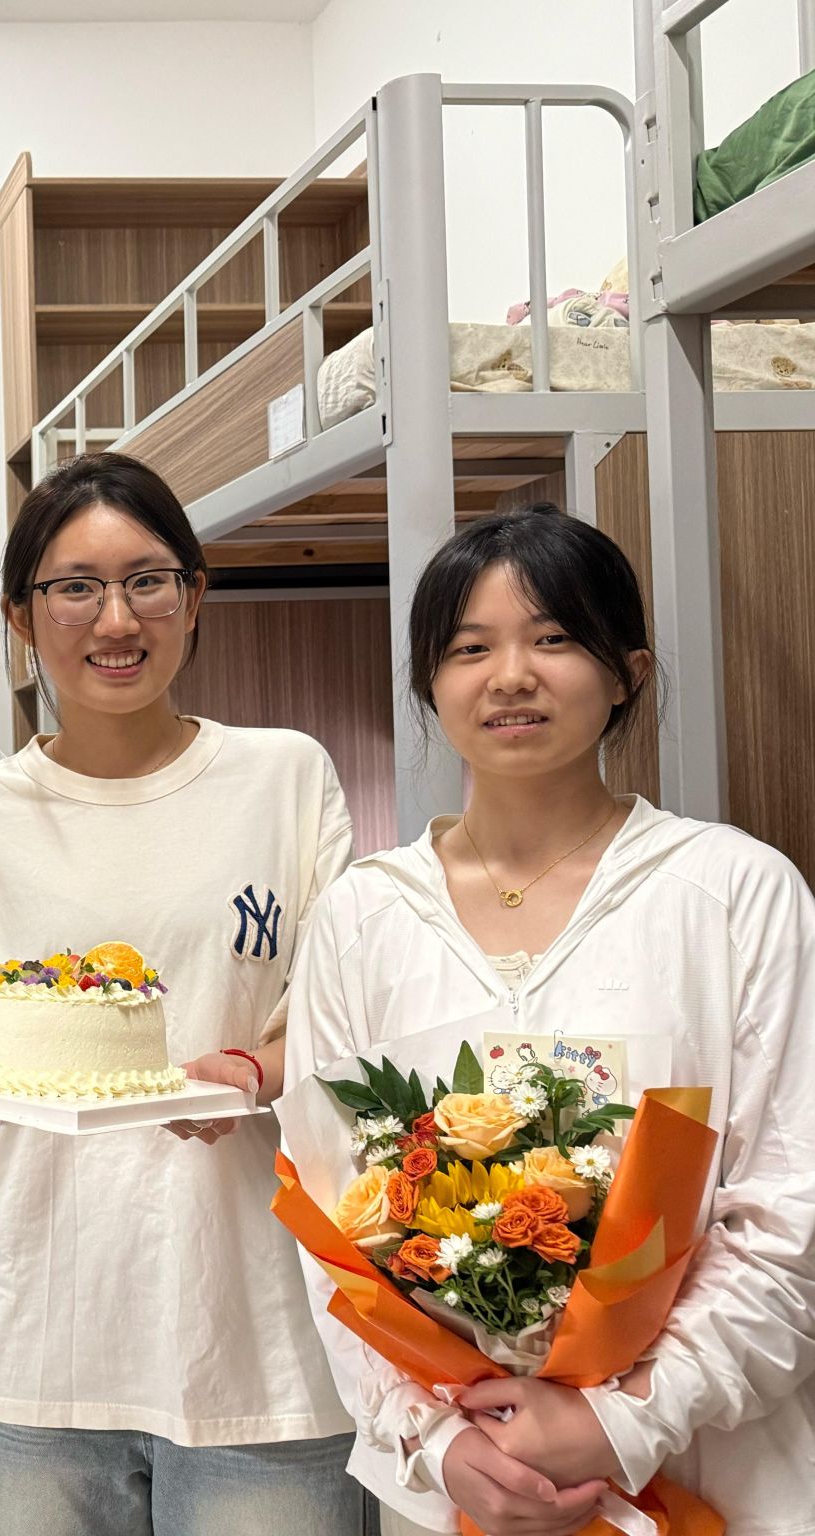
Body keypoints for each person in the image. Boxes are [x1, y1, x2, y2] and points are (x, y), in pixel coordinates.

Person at [284, 504, 815, 1536]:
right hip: (462, 1485)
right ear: (428, 684)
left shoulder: (733, 892)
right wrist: (439, 1445)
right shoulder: (362, 916)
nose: (510, 676)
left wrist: (621, 1421)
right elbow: (328, 1225)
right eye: (468, 648)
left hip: (713, 1468)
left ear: (627, 672)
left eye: (554, 638)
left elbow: (787, 1216)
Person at [0, 452, 367, 1535]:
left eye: (147, 581)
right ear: (21, 615)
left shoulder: (284, 776)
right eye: (74, 588)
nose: (115, 619)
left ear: (193, 597)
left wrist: (252, 1069)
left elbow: (342, 1019)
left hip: (262, 1338)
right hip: (45, 1337)